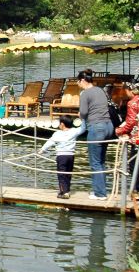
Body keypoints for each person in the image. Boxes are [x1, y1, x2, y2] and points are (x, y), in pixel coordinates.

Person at [77, 70, 112, 199]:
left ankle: (100, 193)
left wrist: (80, 115)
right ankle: (102, 190)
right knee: (101, 160)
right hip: (108, 126)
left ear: (82, 80)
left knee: (95, 162)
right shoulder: (100, 90)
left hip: (96, 127)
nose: (78, 84)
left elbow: (84, 112)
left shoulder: (85, 93)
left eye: (78, 81)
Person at [39, 115, 86, 199]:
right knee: (68, 173)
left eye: (59, 123)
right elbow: (83, 128)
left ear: (62, 124)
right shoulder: (74, 131)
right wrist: (83, 119)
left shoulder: (57, 133)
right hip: (71, 156)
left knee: (61, 174)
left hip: (61, 156)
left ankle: (64, 192)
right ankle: (67, 190)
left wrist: (42, 150)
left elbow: (50, 142)